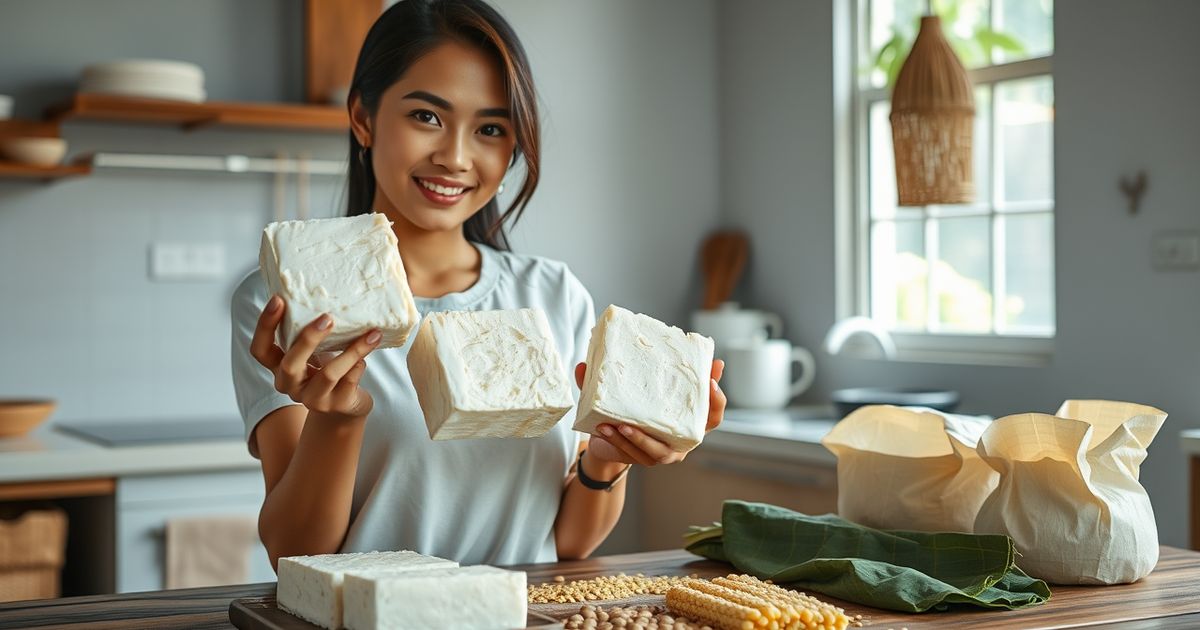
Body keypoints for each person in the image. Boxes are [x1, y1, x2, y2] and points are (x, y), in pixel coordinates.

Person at [230, 0, 726, 569]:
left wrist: (607, 460)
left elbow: (567, 545)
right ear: (364, 118)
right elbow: (295, 553)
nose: (456, 157)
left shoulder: (553, 295)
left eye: (490, 128)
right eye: (427, 117)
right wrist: (337, 420)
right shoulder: (285, 303)